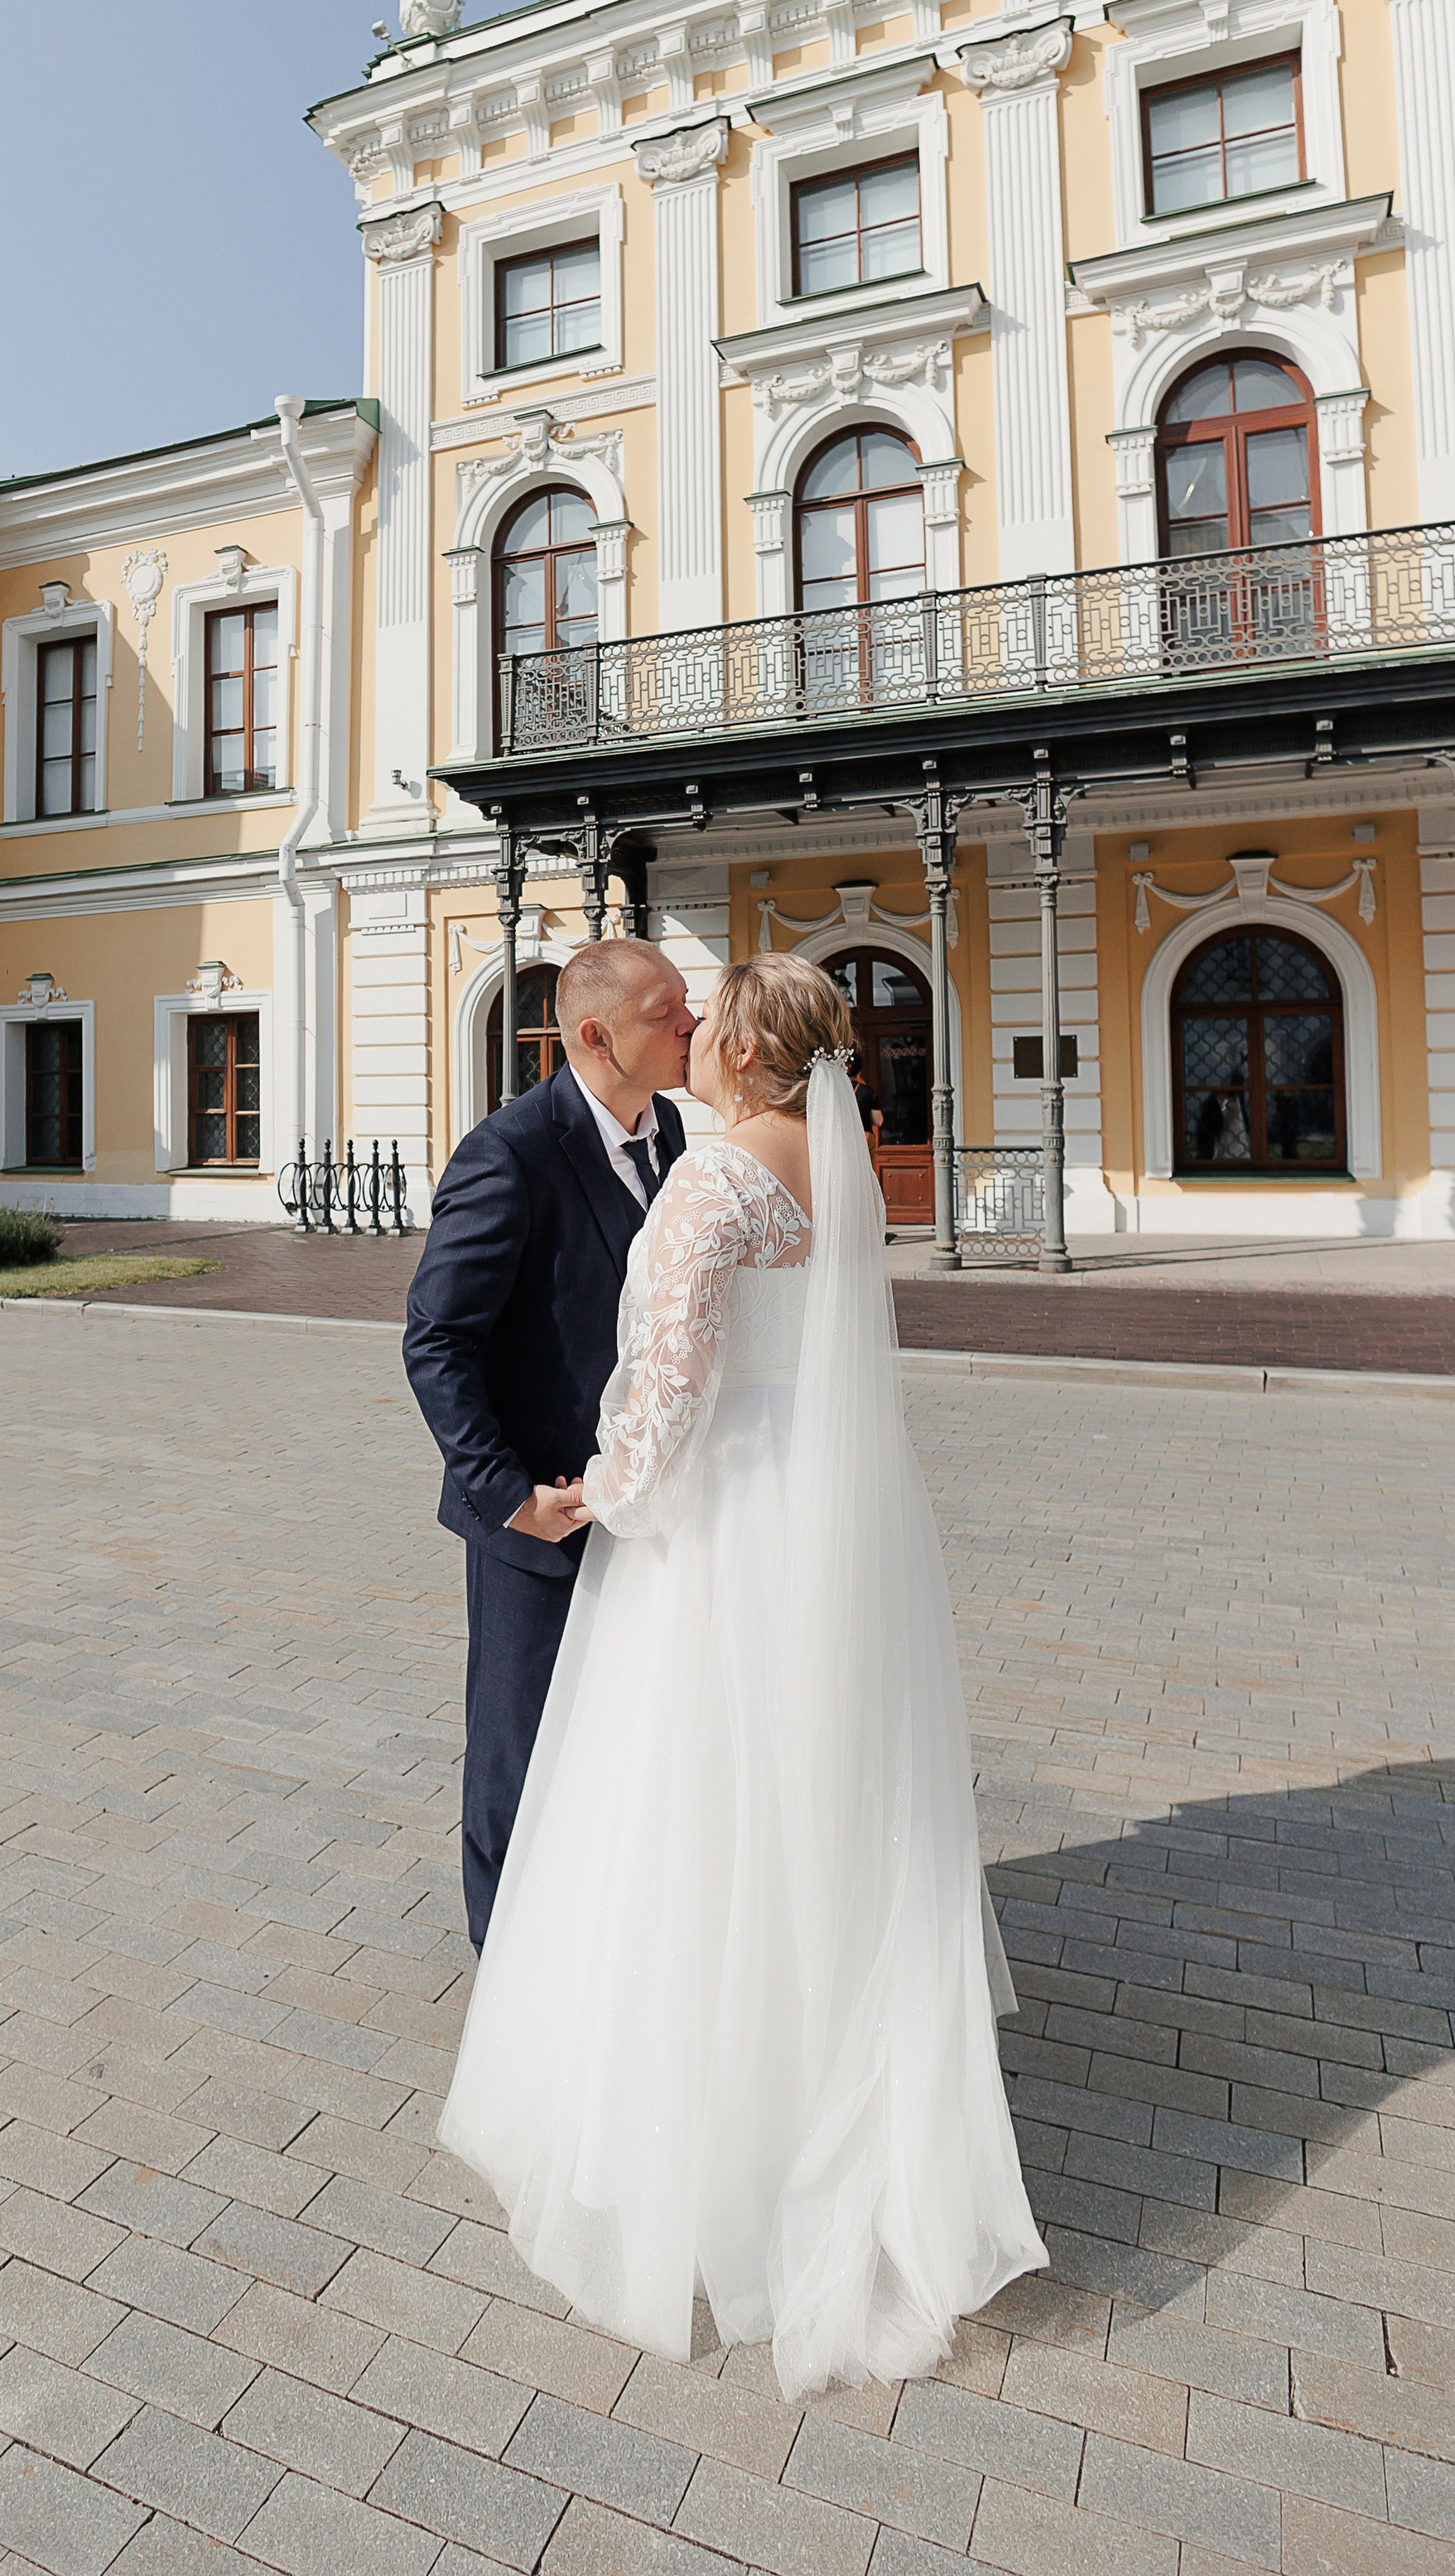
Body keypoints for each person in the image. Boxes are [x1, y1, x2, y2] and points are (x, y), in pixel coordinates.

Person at [440, 953, 1045, 2395]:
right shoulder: (841, 1175)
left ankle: (702, 2131)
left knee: (689, 1802)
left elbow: (670, 1391)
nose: (688, 1037)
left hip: (714, 1521)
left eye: (705, 1026)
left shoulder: (714, 1185)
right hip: (820, 1515)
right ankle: (822, 2083)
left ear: (748, 1060)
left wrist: (608, 1497)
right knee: (812, 1793)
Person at [402, 936, 694, 1951]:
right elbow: (438, 1339)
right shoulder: (510, 1151)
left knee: (626, 1736)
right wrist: (508, 1492)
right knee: (518, 1753)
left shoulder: (675, 1142)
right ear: (595, 1035)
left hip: (647, 1511)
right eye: (668, 1014)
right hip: (542, 1517)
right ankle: (510, 1970)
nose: (691, 1026)